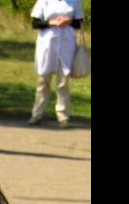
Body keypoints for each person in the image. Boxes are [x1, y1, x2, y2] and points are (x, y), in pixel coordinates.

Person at [27, 0, 85, 128]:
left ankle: (62, 117)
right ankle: (37, 114)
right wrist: (51, 22)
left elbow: (79, 23)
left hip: (66, 44)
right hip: (47, 44)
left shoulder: (75, 1)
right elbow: (35, 23)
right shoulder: (44, 1)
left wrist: (68, 21)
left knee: (63, 82)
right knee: (43, 81)